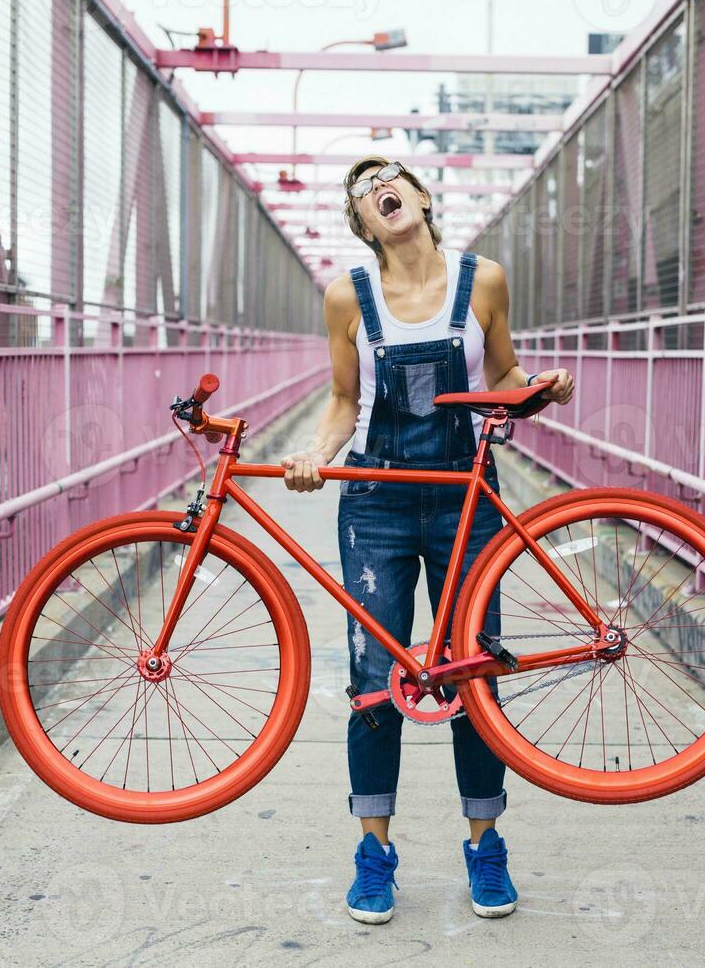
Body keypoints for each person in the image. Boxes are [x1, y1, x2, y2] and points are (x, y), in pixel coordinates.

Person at [279, 156, 575, 925]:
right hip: (374, 497)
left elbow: (504, 373)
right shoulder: (347, 296)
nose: (378, 188)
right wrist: (317, 453)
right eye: (361, 190)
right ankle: (373, 851)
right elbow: (344, 400)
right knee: (375, 677)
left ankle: (486, 845)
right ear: (365, 220)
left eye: (389, 176)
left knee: (474, 672)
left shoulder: (487, 281)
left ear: (417, 195)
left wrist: (539, 387)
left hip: (463, 501)